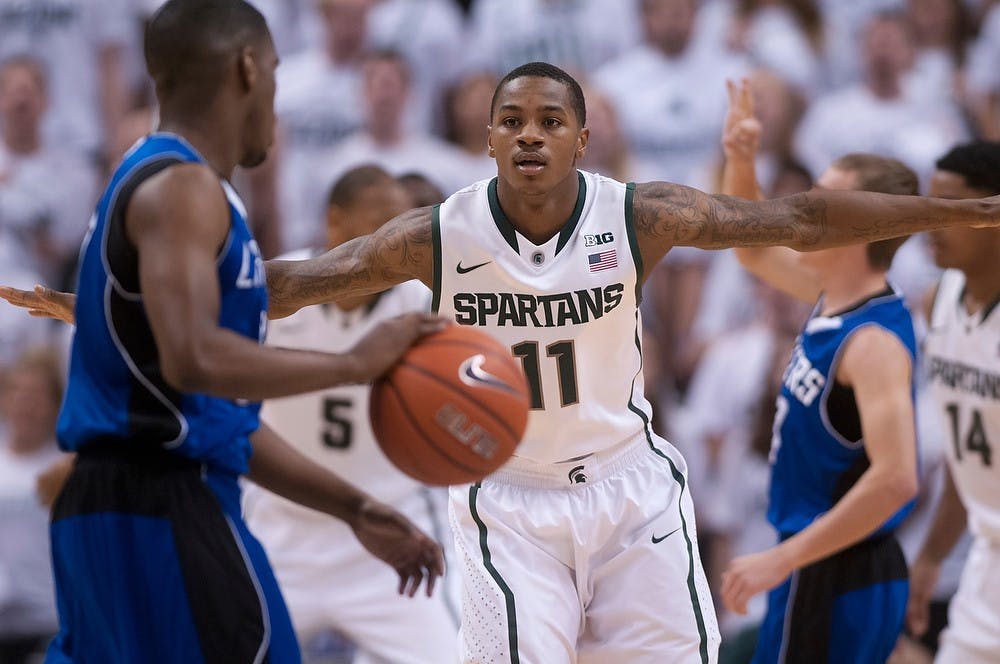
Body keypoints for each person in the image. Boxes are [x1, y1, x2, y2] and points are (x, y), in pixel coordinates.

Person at [6, 61, 1000, 664]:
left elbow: (802, 216)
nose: (529, 133)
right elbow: (294, 280)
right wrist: (106, 302)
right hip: (506, 502)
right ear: (485, 139)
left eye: (549, 120)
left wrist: (954, 210)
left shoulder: (639, 213)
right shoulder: (437, 234)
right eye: (511, 120)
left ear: (579, 136)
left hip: (630, 488)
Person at [18, 2, 445, 663]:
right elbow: (195, 359)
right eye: (274, 70)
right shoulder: (183, 188)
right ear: (248, 68)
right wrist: (354, 365)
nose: (277, 97)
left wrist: (354, 508)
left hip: (123, 505)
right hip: (164, 504)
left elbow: (222, 411)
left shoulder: (161, 178)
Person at [719, 78, 922, 663]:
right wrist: (741, 159)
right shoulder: (831, 290)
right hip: (815, 561)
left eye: (824, 198)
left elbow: (898, 479)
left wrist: (783, 558)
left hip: (835, 570)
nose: (806, 205)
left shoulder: (873, 343)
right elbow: (752, 249)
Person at [243, 165, 459, 663]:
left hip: (394, 538)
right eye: (384, 224)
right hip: (281, 532)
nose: (396, 243)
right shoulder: (274, 287)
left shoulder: (427, 304)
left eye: (405, 227)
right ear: (334, 223)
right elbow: (185, 329)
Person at [906, 141, 1000, 663]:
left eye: (949, 207)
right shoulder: (936, 301)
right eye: (928, 205)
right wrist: (932, 556)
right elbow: (967, 462)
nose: (930, 223)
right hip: (986, 559)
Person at [0, 347, 68, 663]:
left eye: (37, 395)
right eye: (17, 392)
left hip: (46, 622)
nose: (26, 404)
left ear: (55, 405)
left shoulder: (64, 468)